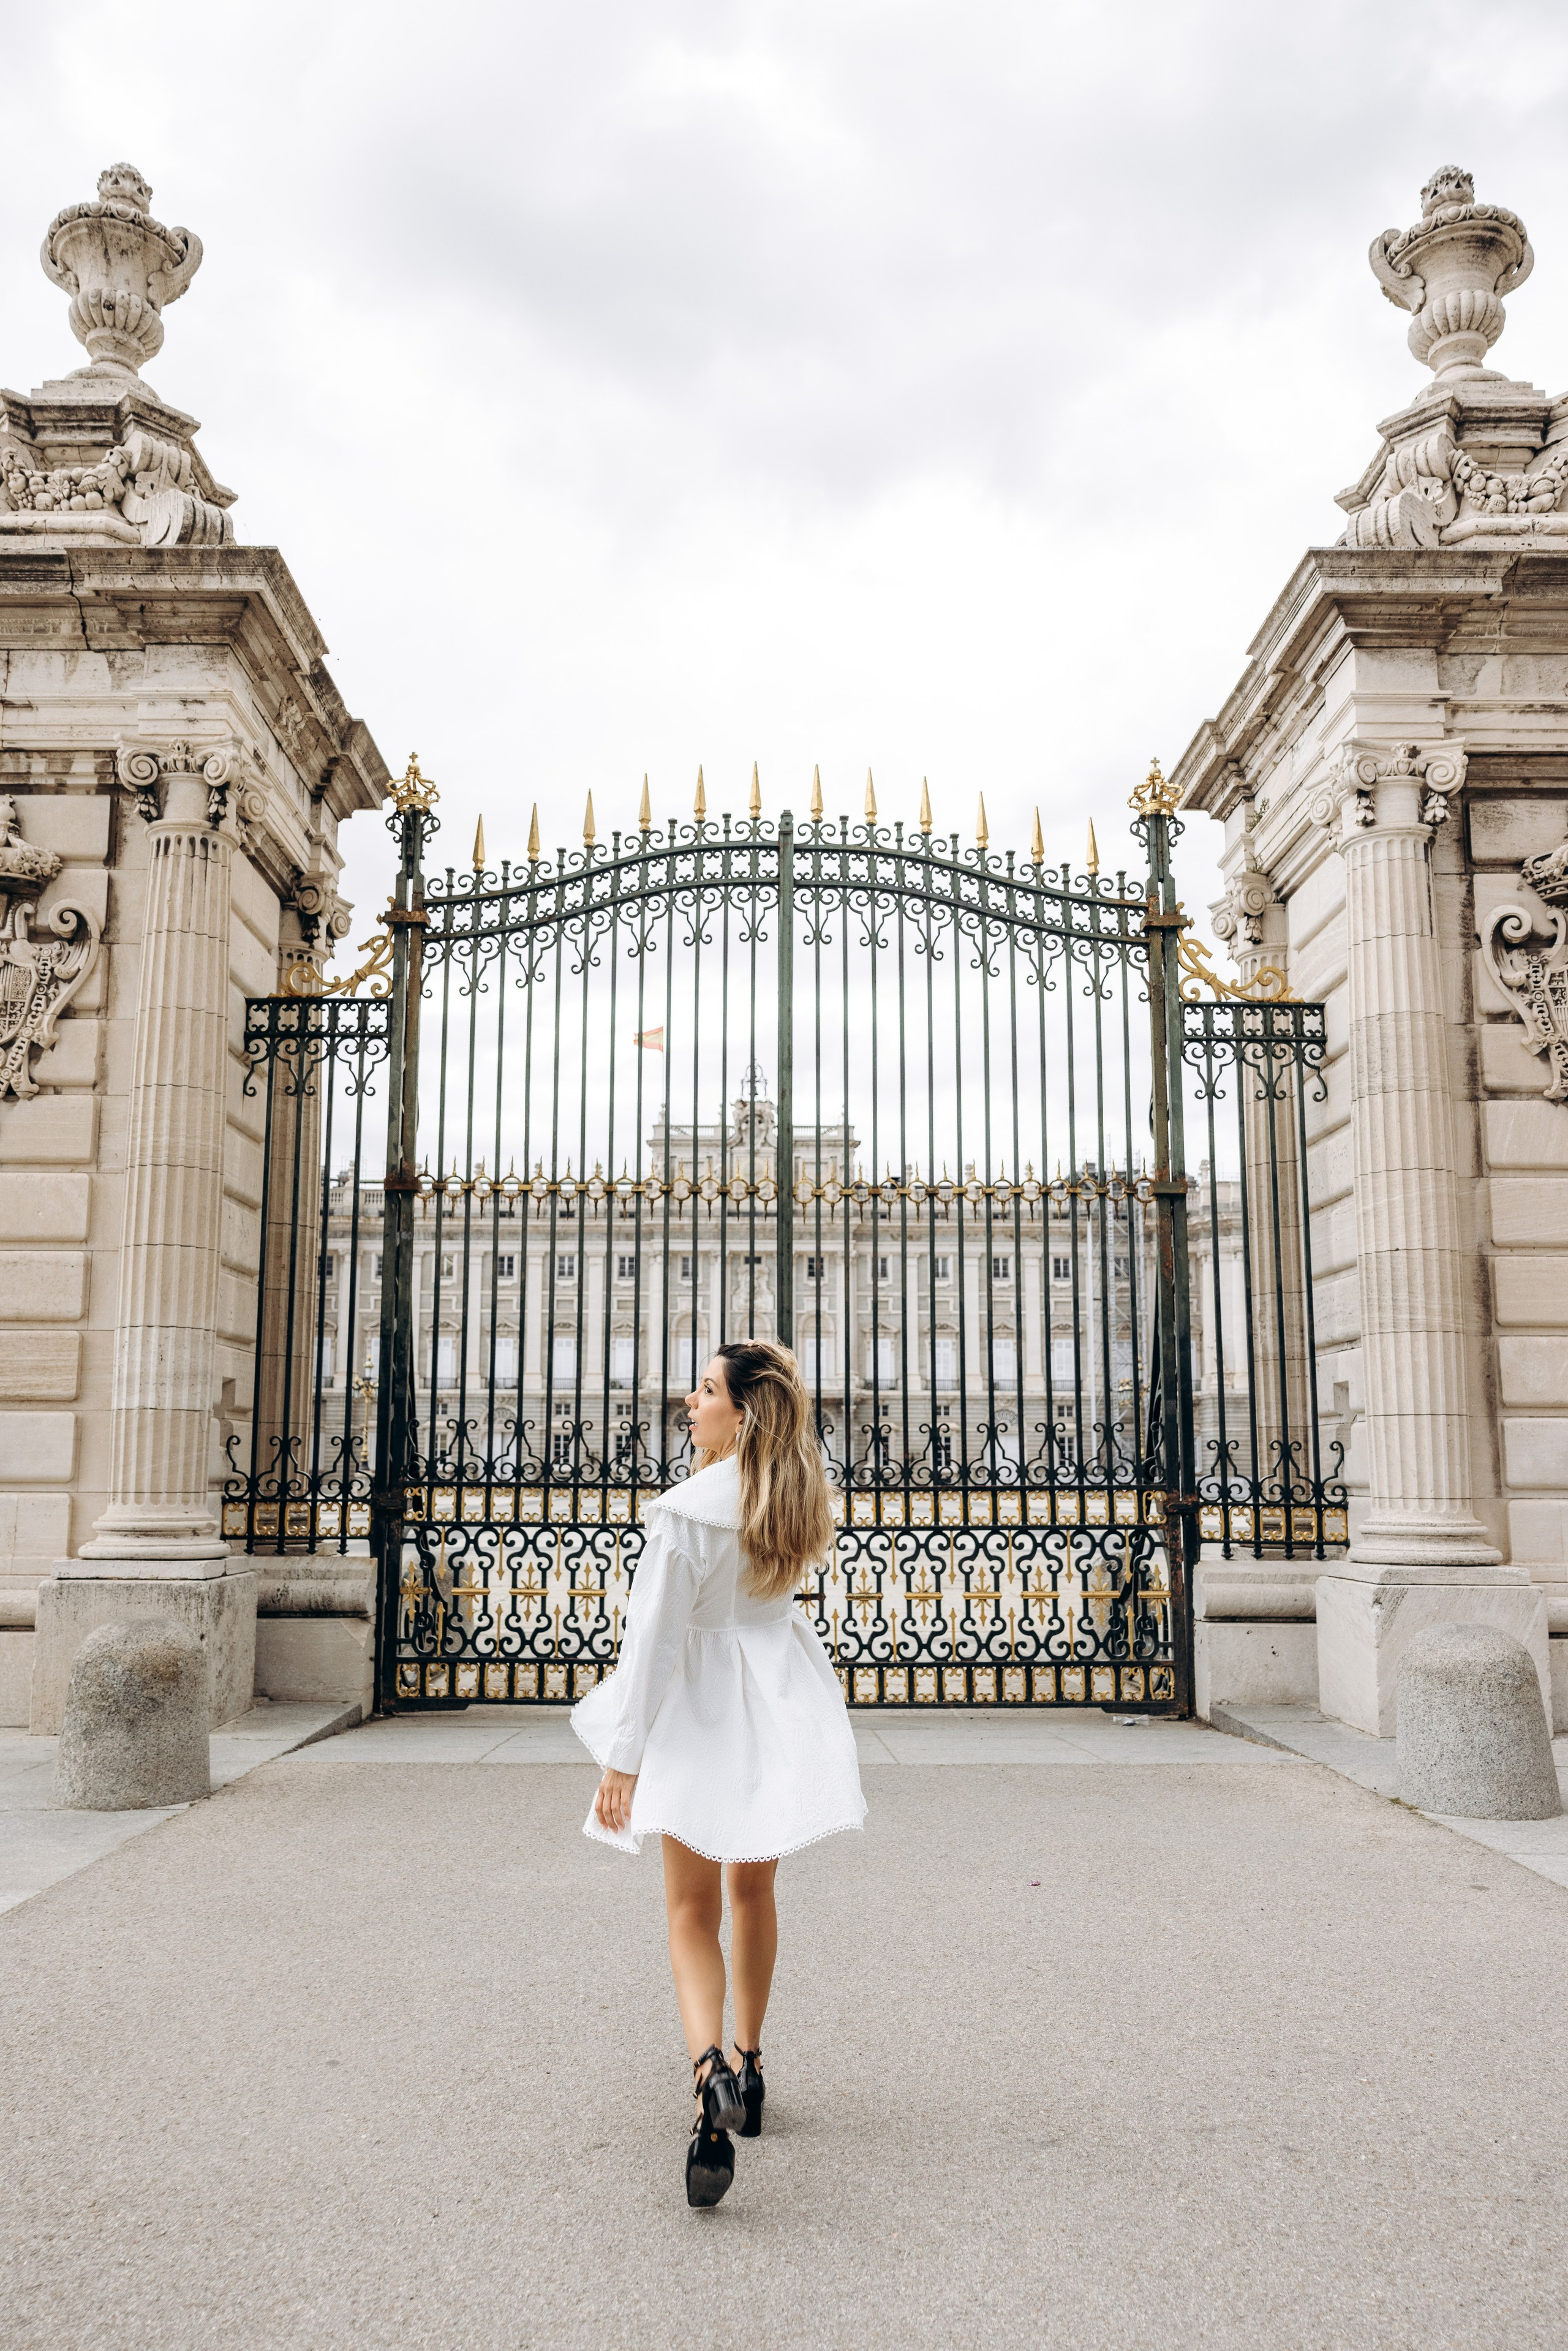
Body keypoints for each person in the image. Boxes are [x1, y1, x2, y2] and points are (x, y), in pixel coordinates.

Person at [570, 1339, 865, 2207]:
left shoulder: (687, 1512)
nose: (688, 1402)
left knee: (691, 1909)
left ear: (741, 1413)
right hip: (772, 1711)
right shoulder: (793, 1499)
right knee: (752, 1896)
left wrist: (624, 1758)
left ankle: (710, 2081)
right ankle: (754, 2062)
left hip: (700, 1718)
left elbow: (654, 1642)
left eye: (705, 1390)